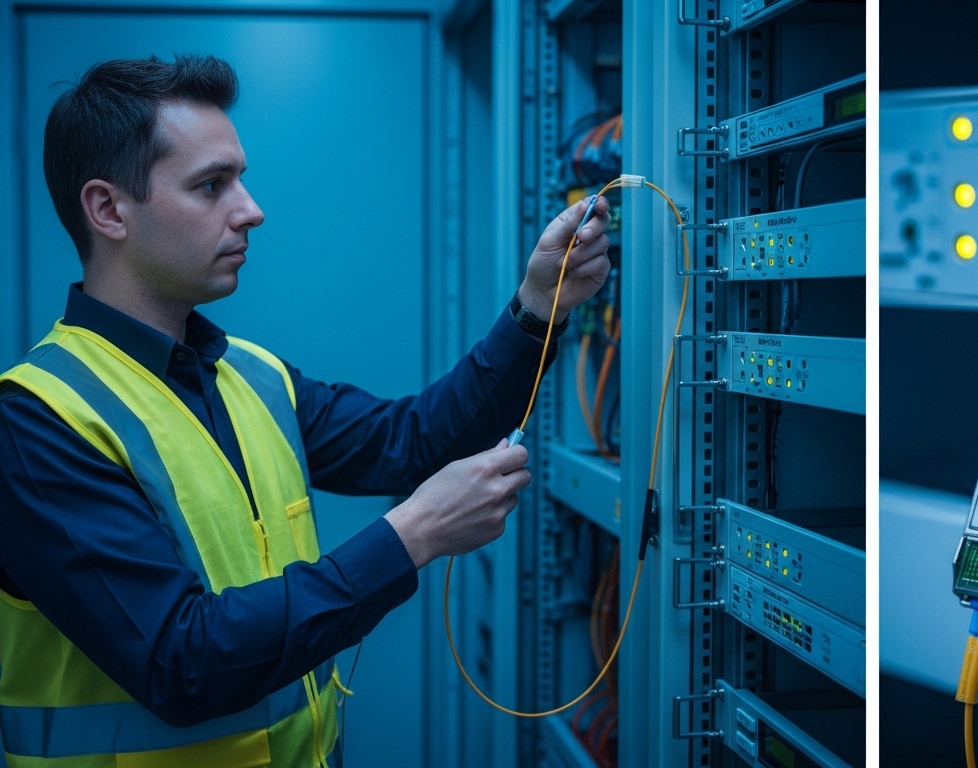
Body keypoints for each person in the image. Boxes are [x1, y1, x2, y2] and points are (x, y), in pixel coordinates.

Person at [0, 54, 609, 766]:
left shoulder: (251, 376)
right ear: (108, 210)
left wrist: (538, 306)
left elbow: (415, 441)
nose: (250, 210)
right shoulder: (39, 421)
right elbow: (179, 661)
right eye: (211, 185)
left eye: (240, 179)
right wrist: (410, 535)